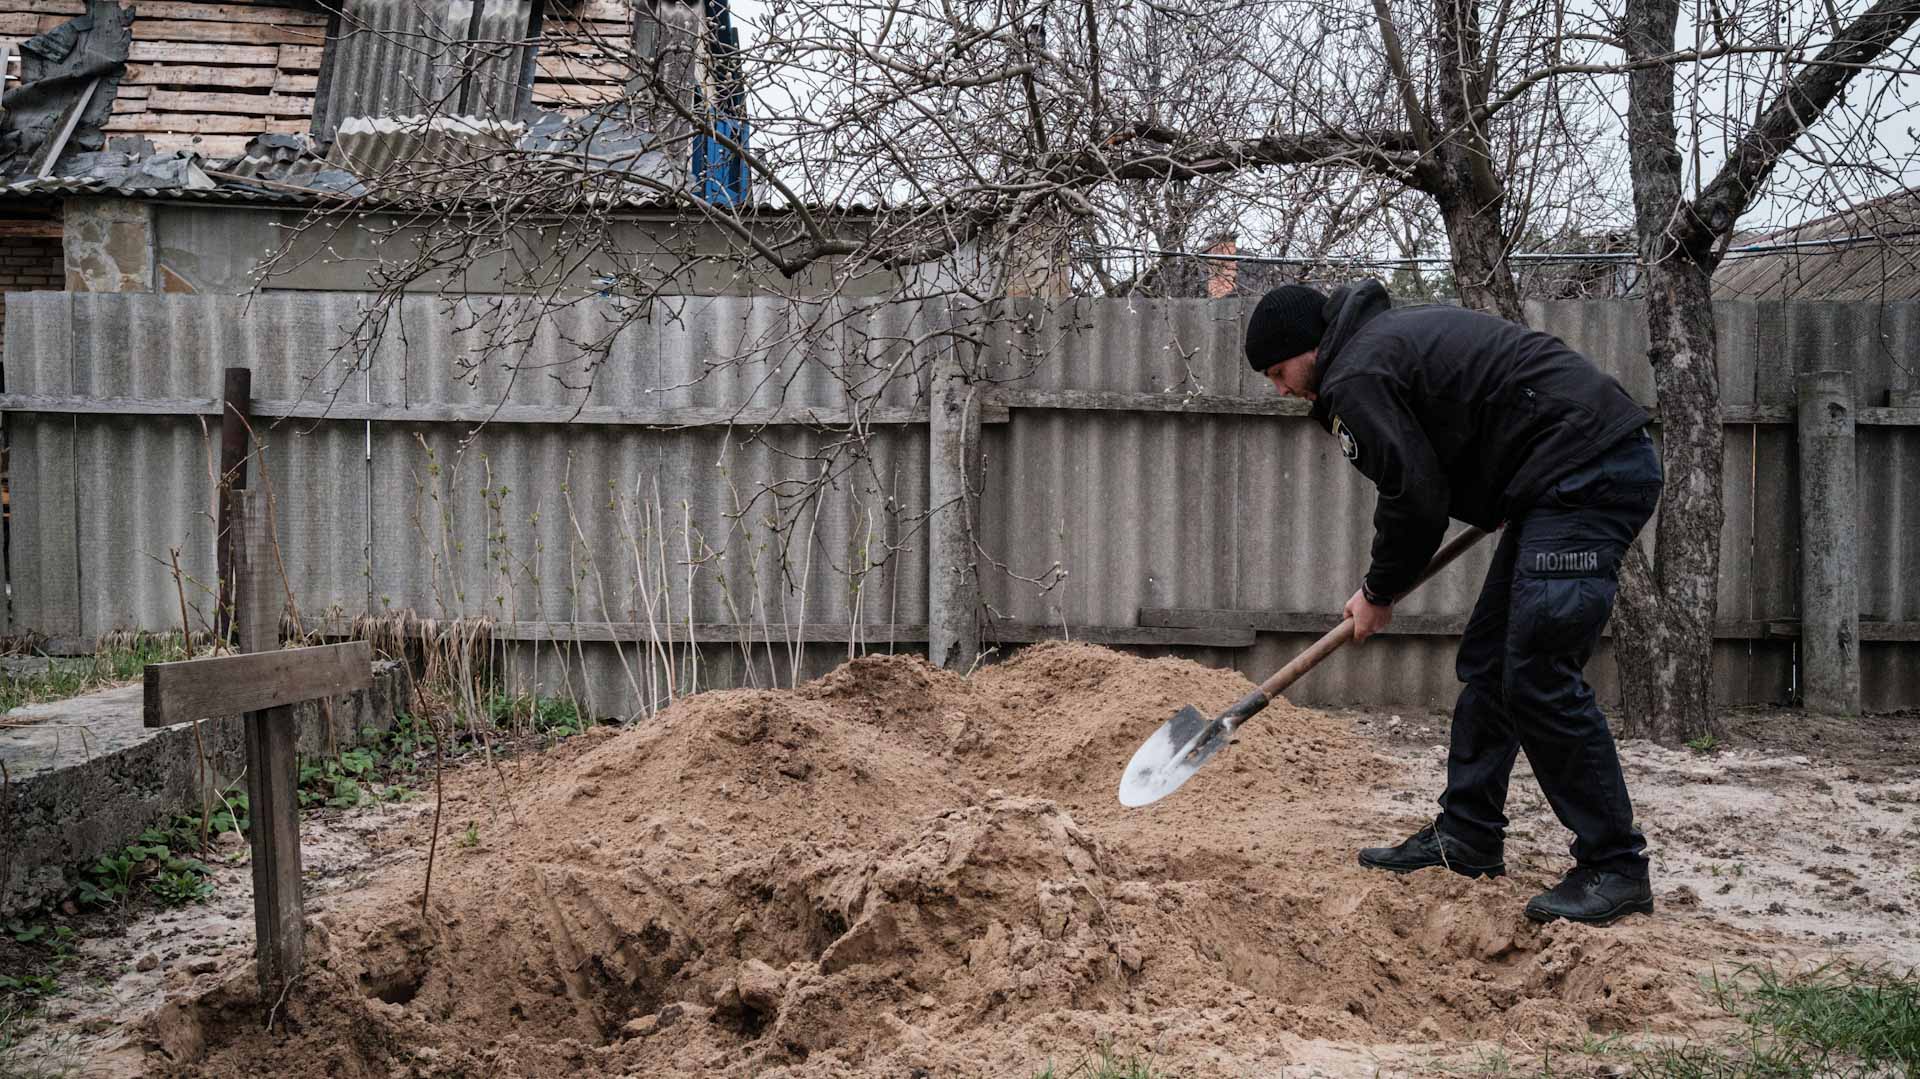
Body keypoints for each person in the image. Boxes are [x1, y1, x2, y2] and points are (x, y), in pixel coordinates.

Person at [1244, 279, 1662, 926]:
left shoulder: (1355, 374)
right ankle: (1467, 835)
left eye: (1279, 370)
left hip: (1586, 471)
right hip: (1559, 473)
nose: (1280, 387)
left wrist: (1378, 591)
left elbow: (1414, 496)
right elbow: (1453, 435)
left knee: (1537, 672)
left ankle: (1616, 866)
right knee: (1494, 659)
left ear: (1309, 347)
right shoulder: (1378, 349)